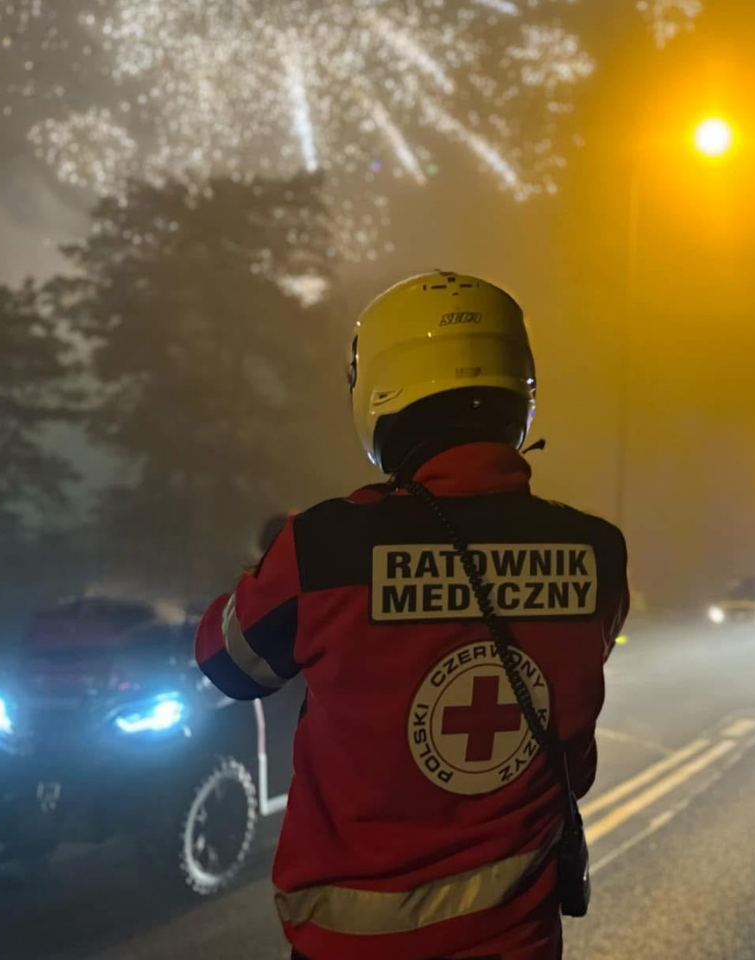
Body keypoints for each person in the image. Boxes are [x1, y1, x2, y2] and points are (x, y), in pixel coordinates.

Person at [195, 271, 629, 960]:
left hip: (345, 945)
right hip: (517, 940)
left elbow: (229, 663)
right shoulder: (596, 554)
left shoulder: (326, 545)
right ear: (519, 389)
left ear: (379, 391)